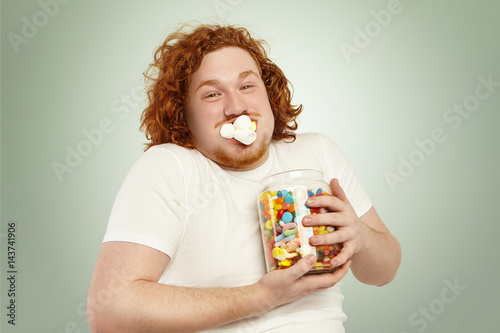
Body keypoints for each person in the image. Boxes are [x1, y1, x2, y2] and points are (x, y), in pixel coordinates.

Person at [87, 23, 401, 332]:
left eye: (247, 86)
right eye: (211, 94)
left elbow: (383, 272)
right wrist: (261, 297)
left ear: (268, 93)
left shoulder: (317, 153)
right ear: (183, 114)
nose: (236, 107)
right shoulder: (169, 167)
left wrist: (360, 236)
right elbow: (110, 312)